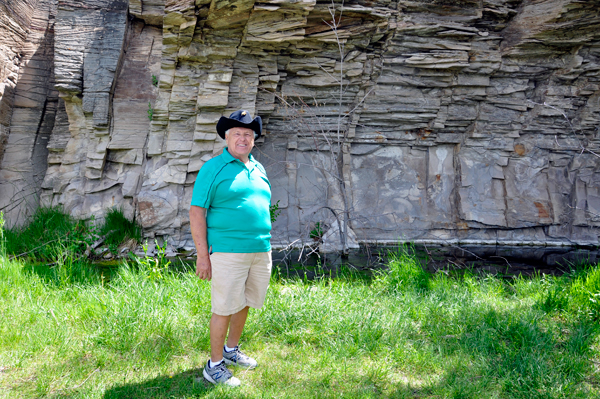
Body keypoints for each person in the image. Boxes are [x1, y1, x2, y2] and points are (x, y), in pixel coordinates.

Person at [189, 110, 272, 387]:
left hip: (260, 249)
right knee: (223, 307)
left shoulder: (258, 168)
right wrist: (203, 256)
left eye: (248, 134)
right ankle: (214, 366)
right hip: (227, 251)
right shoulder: (214, 167)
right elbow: (197, 211)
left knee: (246, 302)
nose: (243, 138)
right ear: (226, 137)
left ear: (254, 140)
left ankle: (231, 350)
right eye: (237, 133)